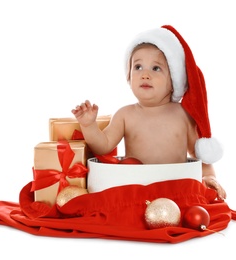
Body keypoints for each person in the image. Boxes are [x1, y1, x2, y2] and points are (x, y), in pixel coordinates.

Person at [71, 25, 226, 200]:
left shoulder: (183, 115)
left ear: (174, 80)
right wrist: (89, 125)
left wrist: (209, 177)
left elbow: (201, 156)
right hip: (137, 193)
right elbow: (103, 145)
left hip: (176, 193)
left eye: (156, 68)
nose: (145, 74)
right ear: (129, 77)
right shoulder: (125, 115)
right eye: (137, 67)